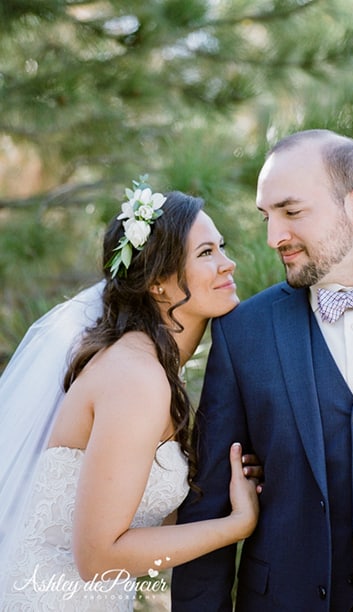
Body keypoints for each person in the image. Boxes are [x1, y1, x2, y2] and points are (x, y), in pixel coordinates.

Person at [171, 129, 353, 611]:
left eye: (291, 212)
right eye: (266, 216)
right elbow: (208, 503)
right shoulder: (244, 331)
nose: (273, 237)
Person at [0, 183, 262, 610]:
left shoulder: (148, 367)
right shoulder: (136, 378)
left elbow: (133, 516)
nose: (227, 264)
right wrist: (236, 525)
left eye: (221, 247)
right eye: (206, 254)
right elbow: (97, 559)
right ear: (158, 283)